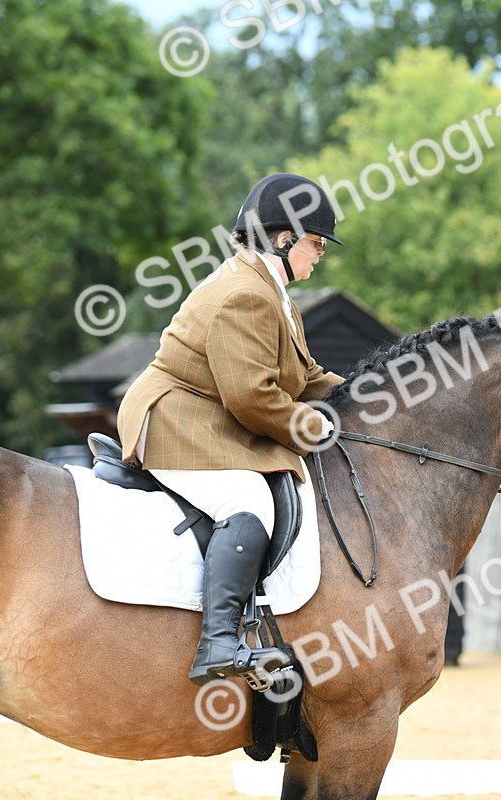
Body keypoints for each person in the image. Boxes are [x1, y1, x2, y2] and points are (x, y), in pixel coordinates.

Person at [117, 173, 345, 685]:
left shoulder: (272, 290)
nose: (320, 255)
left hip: (206, 410)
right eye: (315, 244)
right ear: (283, 238)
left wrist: (366, 398)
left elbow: (304, 376)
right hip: (175, 414)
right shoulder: (246, 293)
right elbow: (252, 397)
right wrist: (319, 429)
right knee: (248, 499)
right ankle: (219, 644)